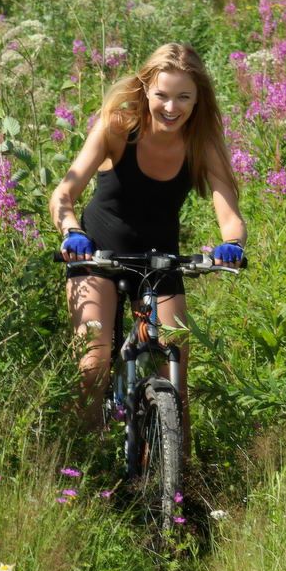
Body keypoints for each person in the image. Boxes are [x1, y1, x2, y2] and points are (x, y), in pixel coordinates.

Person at [49, 42, 246, 451]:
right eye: (162, 95)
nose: (171, 107)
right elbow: (64, 192)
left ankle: (179, 484)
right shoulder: (117, 128)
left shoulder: (201, 143)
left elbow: (229, 212)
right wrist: (71, 230)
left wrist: (232, 243)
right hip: (96, 255)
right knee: (93, 362)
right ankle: (86, 465)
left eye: (183, 97)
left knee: (175, 364)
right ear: (145, 89)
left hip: (161, 258)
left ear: (198, 99)